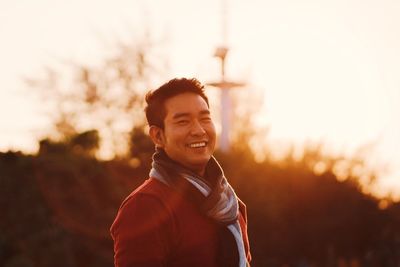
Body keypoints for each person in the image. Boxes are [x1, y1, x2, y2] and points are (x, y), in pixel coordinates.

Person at [110, 78, 251, 267]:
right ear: (158, 136)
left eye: (205, 118)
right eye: (183, 121)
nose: (199, 130)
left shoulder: (228, 203)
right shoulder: (146, 206)